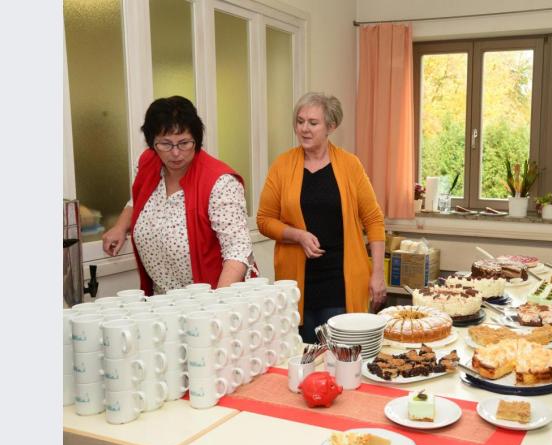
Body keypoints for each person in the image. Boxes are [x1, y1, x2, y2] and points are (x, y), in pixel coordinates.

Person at [257, 92, 386, 343]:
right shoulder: (282, 166)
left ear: (331, 126)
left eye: (313, 123)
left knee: (341, 354)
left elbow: (373, 219)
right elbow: (264, 219)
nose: (304, 129)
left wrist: (377, 274)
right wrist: (298, 236)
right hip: (296, 284)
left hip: (341, 279)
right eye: (300, 121)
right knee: (304, 355)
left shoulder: (350, 165)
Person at [102, 96, 254, 294]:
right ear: (152, 143)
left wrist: (217, 304)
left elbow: (237, 249)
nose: (175, 153)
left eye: (184, 143)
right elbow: (137, 199)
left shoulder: (219, 182)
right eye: (165, 144)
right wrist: (121, 227)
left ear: (196, 140)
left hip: (212, 300)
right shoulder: (148, 163)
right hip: (163, 301)